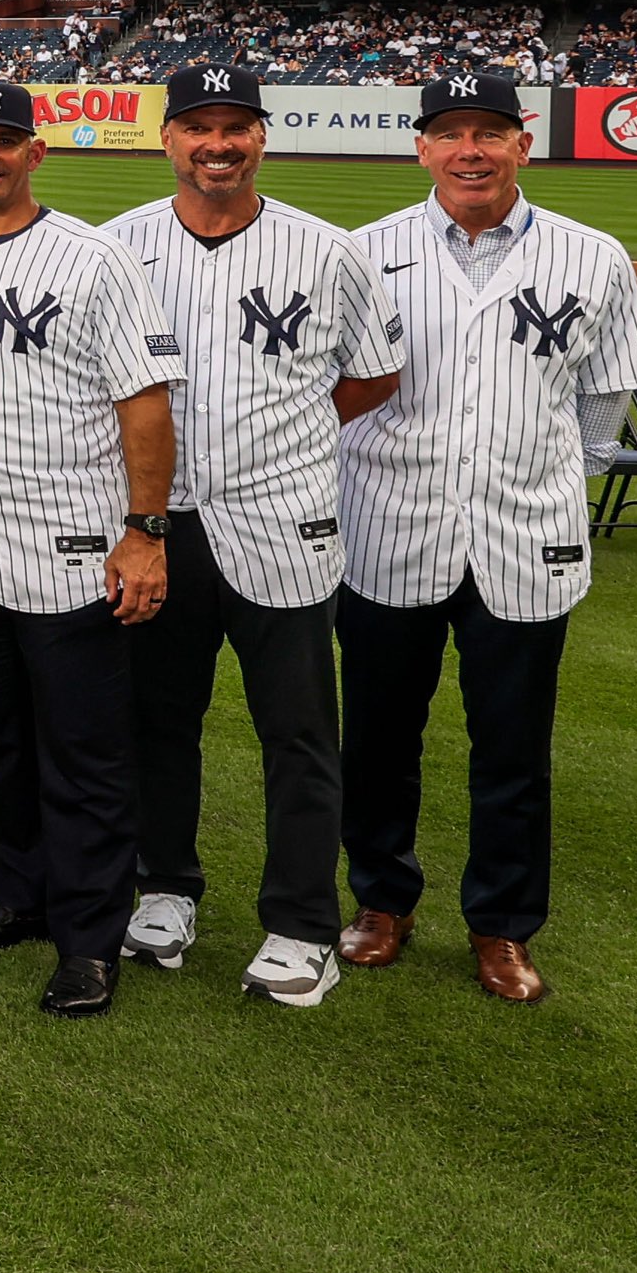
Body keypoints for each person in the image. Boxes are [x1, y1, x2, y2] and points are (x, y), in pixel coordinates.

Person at [333, 65, 637, 1004]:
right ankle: (382, 901)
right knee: (380, 738)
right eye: (451, 132)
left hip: (526, 535)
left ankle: (502, 927)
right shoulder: (362, 251)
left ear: (523, 142)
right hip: (388, 528)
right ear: (421, 146)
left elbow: (605, 404)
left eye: (490, 132)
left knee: (513, 747)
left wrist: (549, 481)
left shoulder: (595, 256)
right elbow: (332, 392)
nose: (471, 150)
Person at [103, 63, 402, 1008]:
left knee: (300, 733)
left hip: (284, 524)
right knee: (159, 721)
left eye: (236, 128)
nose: (217, 145)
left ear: (261, 139)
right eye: (199, 127)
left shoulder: (327, 250)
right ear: (168, 140)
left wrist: (288, 438)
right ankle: (166, 889)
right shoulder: (121, 248)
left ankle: (303, 923)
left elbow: (374, 374)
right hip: (160, 526)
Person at [0, 79, 181, 1014]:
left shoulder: (94, 258)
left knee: (85, 756)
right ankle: (19, 898)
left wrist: (146, 534)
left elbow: (144, 400)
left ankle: (90, 937)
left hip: (68, 548)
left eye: (6, 140)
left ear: (37, 152)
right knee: (2, 747)